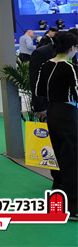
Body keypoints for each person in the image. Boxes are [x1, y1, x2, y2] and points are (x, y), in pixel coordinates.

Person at [34, 30, 78, 220]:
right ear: (73, 47)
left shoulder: (46, 64)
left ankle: (61, 200)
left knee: (60, 156)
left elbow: (39, 90)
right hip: (67, 114)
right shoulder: (70, 67)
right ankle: (73, 206)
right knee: (72, 159)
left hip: (52, 112)